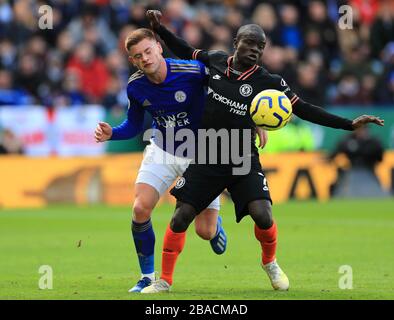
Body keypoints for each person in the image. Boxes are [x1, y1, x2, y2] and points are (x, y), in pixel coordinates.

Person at [141, 10, 384, 293]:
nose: (256, 50)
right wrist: (161, 30)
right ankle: (165, 280)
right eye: (250, 43)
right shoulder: (216, 62)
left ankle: (270, 262)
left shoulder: (270, 82)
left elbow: (303, 108)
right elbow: (185, 49)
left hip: (242, 156)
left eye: (261, 46)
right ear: (236, 42)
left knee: (263, 214)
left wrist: (348, 124)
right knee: (180, 217)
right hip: (207, 154)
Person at [94, 28, 267, 293]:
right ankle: (147, 277)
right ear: (132, 60)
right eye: (138, 56)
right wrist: (112, 134)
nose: (145, 59)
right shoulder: (135, 85)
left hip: (202, 156)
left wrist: (252, 118)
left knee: (204, 232)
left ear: (159, 48)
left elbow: (231, 90)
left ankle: (215, 225)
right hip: (162, 150)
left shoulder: (193, 71)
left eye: (148, 51)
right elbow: (133, 125)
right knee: (140, 209)